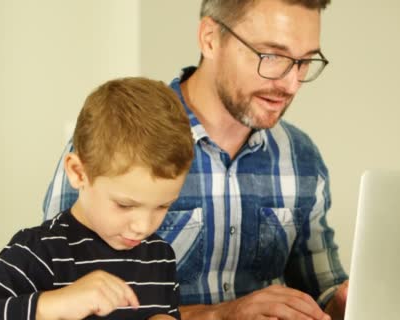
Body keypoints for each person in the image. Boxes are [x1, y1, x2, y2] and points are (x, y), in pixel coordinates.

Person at [44, 0, 349, 319]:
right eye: (271, 56)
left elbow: (322, 287)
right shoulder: (116, 138)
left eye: (304, 62)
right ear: (209, 38)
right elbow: (60, 297)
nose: (291, 83)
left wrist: (344, 301)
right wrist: (221, 314)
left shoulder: (301, 156)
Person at [0, 77, 194, 319]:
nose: (143, 226)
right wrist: (52, 305)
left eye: (163, 206)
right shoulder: (39, 251)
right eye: (125, 205)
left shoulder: (160, 257)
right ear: (78, 173)